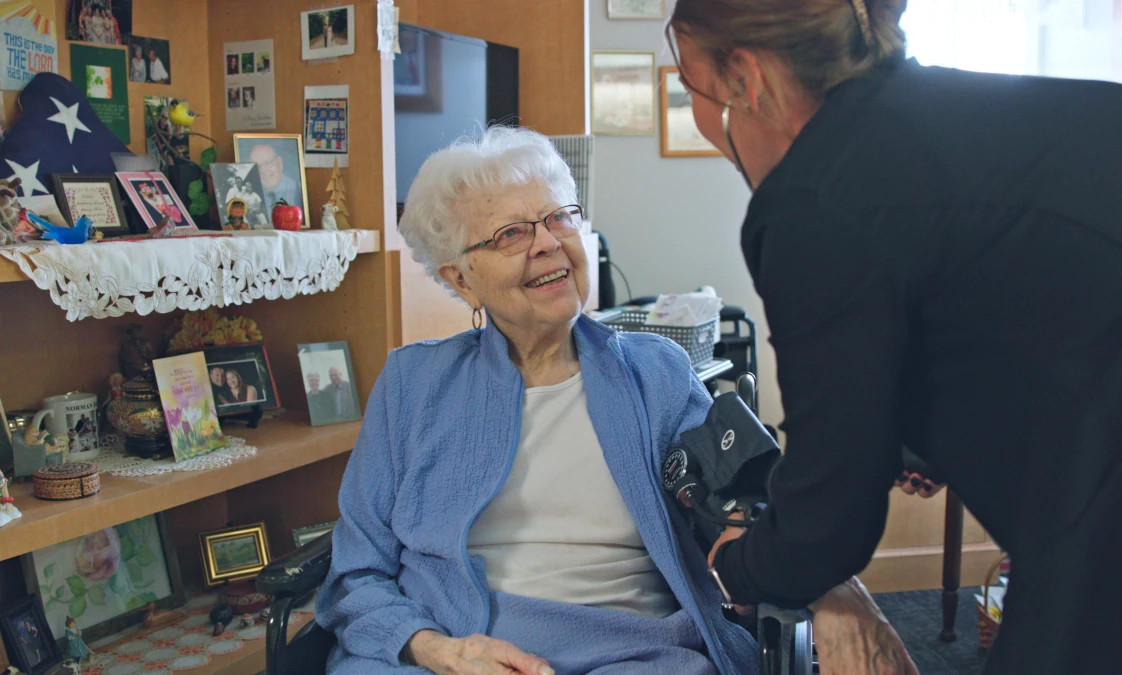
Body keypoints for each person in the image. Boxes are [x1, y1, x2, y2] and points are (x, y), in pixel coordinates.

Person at [668, 1, 1122, 674]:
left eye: (690, 85)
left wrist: (739, 566)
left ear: (744, 78)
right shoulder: (932, 113)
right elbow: (1029, 314)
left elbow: (830, 520)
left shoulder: (815, 200)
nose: (693, 107)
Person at [315, 126, 900, 674]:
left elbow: (738, 505)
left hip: (633, 651)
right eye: (512, 234)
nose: (548, 244)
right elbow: (356, 572)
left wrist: (824, 585)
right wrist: (440, 650)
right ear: (461, 279)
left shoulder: (655, 372)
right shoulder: (413, 384)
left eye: (558, 218)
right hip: (450, 651)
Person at [248, 143, 302, 209]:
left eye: (267, 163)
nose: (262, 170)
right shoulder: (251, 198)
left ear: (279, 163)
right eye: (256, 166)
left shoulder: (299, 191)